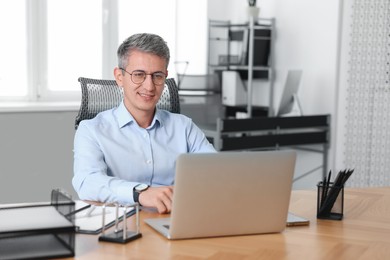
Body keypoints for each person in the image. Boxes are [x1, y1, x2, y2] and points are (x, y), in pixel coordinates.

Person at [72, 33, 216, 214]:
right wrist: (140, 192)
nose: (149, 86)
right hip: (121, 228)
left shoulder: (184, 127)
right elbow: (87, 182)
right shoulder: (91, 130)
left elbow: (215, 172)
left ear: (165, 77)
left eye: (157, 76)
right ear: (119, 77)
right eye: (139, 75)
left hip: (176, 222)